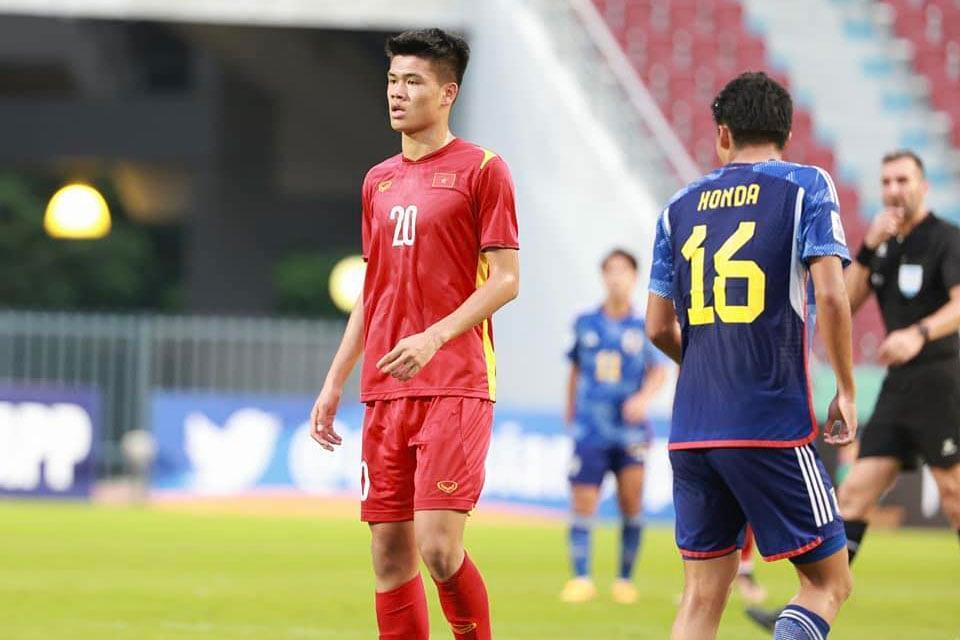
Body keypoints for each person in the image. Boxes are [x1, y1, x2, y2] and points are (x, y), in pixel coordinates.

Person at [309, 28, 520, 640]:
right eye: (393, 81)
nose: (397, 94)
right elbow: (372, 294)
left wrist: (433, 337)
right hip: (385, 392)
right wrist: (333, 383)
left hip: (455, 383)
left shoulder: (483, 169)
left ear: (448, 91)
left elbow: (506, 280)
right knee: (388, 556)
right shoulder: (377, 181)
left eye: (413, 82)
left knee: (438, 548)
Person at [645, 71, 856, 640]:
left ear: (723, 134)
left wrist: (708, 365)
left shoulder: (678, 205)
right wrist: (847, 388)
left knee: (699, 601)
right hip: (768, 425)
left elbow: (657, 325)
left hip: (692, 429)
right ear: (786, 133)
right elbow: (832, 294)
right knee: (828, 583)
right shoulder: (807, 186)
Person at [748, 150, 960, 629]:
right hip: (899, 388)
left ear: (923, 186)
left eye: (903, 179)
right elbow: (845, 301)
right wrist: (866, 249)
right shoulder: (883, 246)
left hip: (943, 380)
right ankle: (806, 608)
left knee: (954, 497)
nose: (894, 189)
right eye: (886, 181)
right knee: (853, 497)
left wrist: (918, 333)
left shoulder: (945, 240)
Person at [560, 248, 670, 605]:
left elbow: (660, 369)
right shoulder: (585, 322)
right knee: (583, 501)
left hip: (630, 431)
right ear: (603, 276)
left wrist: (644, 398)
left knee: (631, 502)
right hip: (591, 427)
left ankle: (624, 579)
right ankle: (581, 578)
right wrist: (570, 412)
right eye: (610, 271)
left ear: (634, 277)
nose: (616, 277)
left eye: (623, 271)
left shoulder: (644, 325)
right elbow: (575, 369)